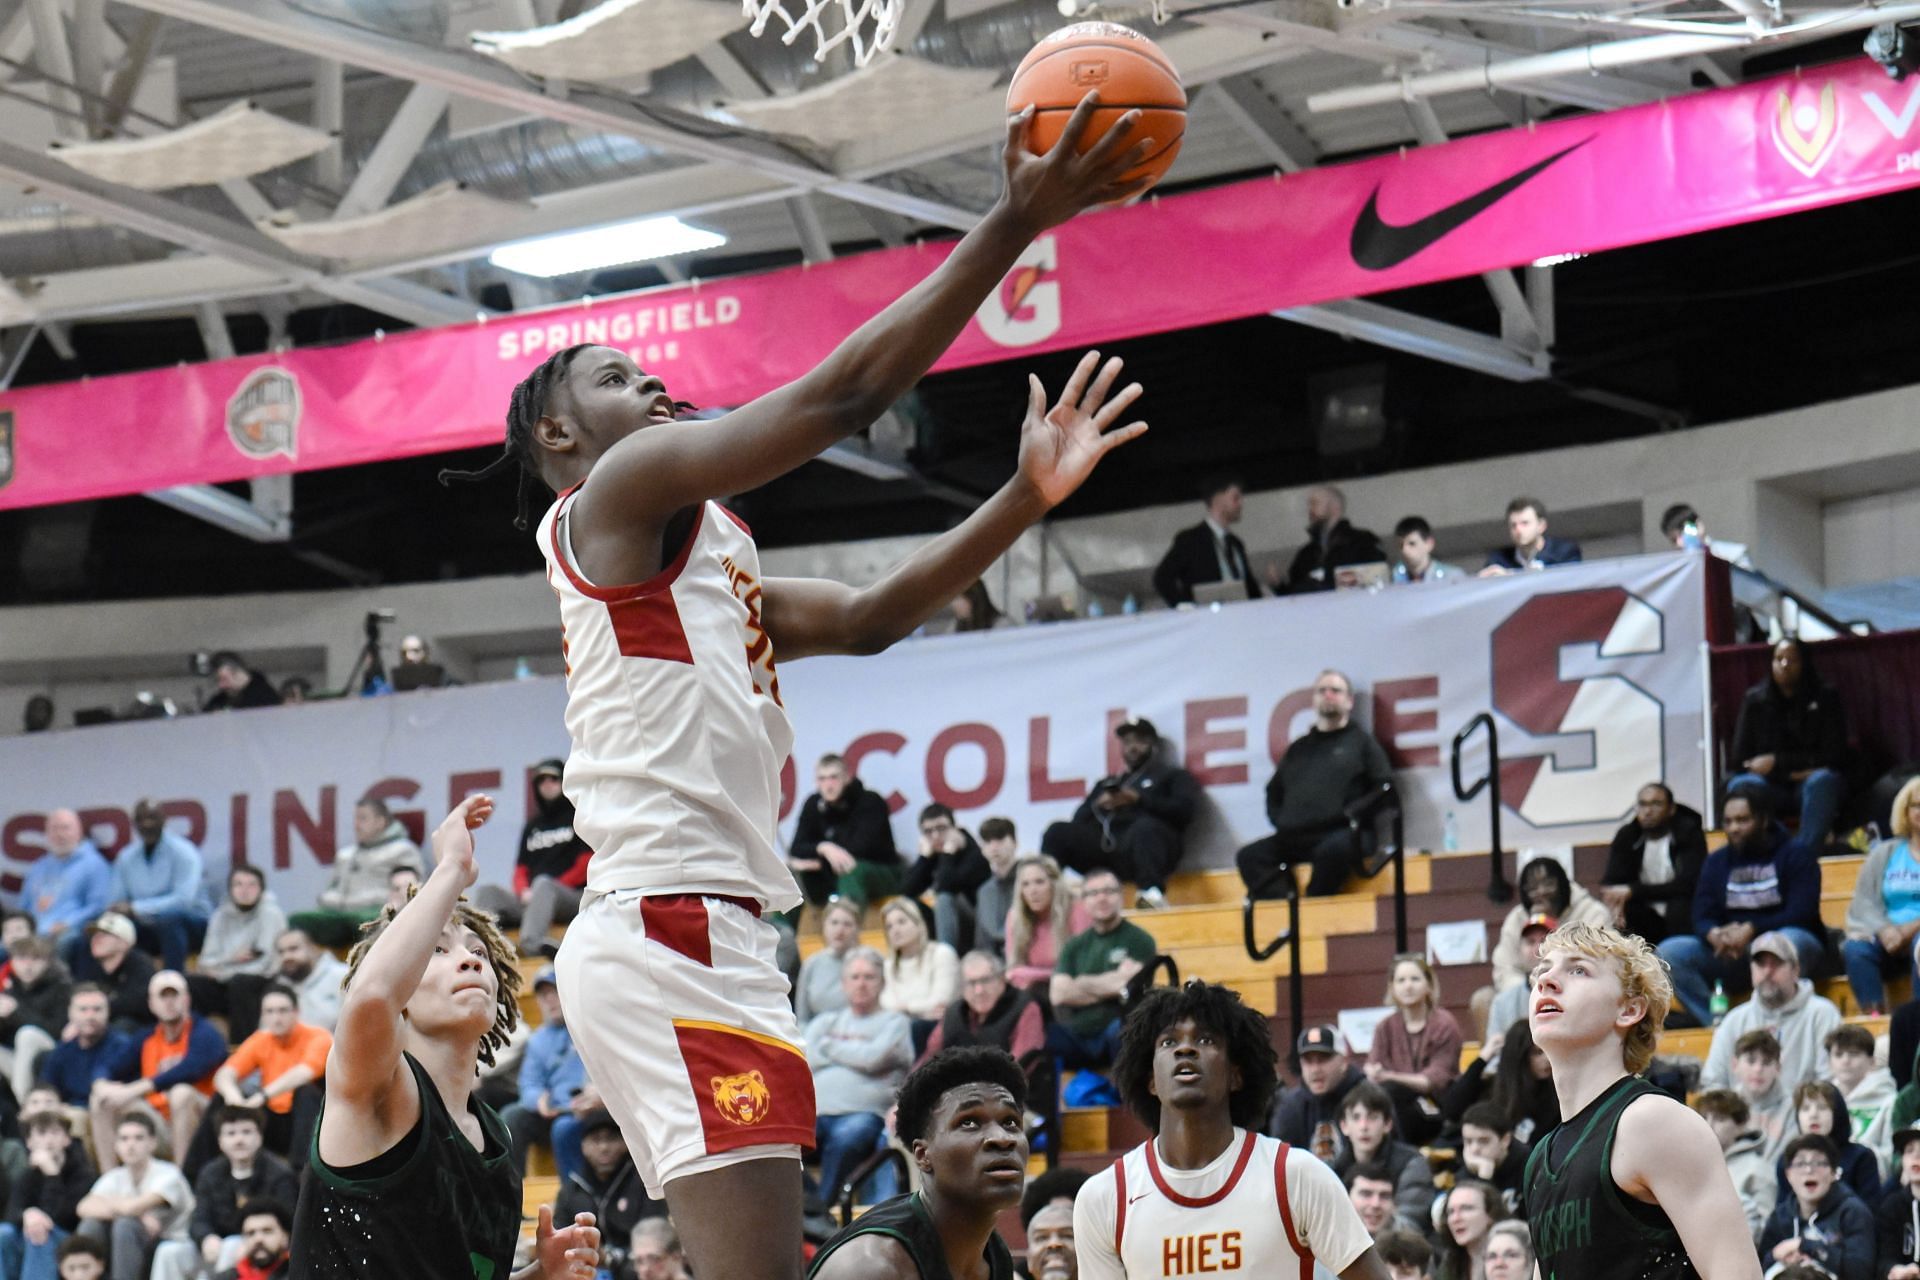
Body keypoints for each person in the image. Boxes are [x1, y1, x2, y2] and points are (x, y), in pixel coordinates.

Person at [443, 98, 1153, 1280]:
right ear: (562, 431)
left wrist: (1024, 498)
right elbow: (837, 403)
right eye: (622, 375)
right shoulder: (614, 497)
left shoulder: (705, 549)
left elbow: (871, 619)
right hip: (666, 928)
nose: (654, 383)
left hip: (722, 934)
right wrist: (1014, 219)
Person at [289, 796, 598, 1278]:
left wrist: (539, 1275)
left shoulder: (495, 1136)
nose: (472, 960)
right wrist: (452, 869)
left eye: (480, 951)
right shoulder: (380, 1083)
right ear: (405, 982)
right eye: (438, 949)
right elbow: (372, 996)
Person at [1073, 981, 1390, 1280]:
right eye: (1169, 1042)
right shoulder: (1105, 1197)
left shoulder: (1296, 1175)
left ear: (1236, 1075)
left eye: (1205, 1040)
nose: (1186, 1050)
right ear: (1151, 1080)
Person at [1523, 921, 1762, 1280]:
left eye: (1578, 970)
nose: (1547, 981)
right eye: (1542, 971)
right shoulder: (1540, 1159)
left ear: (1629, 1010)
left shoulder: (1651, 1122)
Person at [808, 1046, 1030, 1279]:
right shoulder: (871, 1267)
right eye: (969, 1123)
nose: (1002, 1138)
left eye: (1010, 1122)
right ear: (923, 1155)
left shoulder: (993, 1256)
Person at [1657, 786, 1825, 1028]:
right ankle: (1723, 1026)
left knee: (1786, 942)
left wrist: (1752, 930)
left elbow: (1802, 912)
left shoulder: (1796, 854)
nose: (1734, 828)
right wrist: (1714, 934)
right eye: (1728, 821)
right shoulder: (1716, 861)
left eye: (1742, 820)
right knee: (1669, 952)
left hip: (1789, 940)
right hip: (1730, 951)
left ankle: (1782, 1022)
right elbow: (1701, 914)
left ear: (1764, 820)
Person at [1236, 670, 1396, 899]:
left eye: (1336, 690)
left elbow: (1384, 788)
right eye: (1322, 690)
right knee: (1250, 856)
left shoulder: (1362, 743)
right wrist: (1282, 820)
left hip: (1346, 833)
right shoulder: (1298, 748)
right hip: (1295, 836)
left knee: (1334, 851)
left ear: (1349, 701)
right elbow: (1274, 791)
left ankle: (1313, 907)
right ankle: (1287, 909)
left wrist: (1353, 815)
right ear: (1314, 700)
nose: (1328, 695)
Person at [1040, 718, 1198, 910]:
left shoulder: (1172, 776)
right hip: (1108, 853)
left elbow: (1184, 812)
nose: (1132, 747)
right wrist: (1098, 804)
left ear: (1153, 745)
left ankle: (1151, 894)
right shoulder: (1109, 782)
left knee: (1145, 828)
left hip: (1147, 851)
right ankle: (1044, 894)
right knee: (1057, 831)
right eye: (1127, 742)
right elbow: (1078, 820)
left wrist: (1138, 799)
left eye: (1139, 741)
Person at [805, 946, 912, 1204]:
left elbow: (873, 1058)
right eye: (855, 977)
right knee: (779, 1140)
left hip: (865, 1116)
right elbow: (807, 1058)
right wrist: (859, 1053)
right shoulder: (824, 1022)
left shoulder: (894, 1022)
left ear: (882, 982)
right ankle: (806, 1212)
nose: (861, 984)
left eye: (869, 977)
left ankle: (822, 1212)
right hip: (816, 1114)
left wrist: (829, 1046)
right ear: (843, 984)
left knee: (847, 1139)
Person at [87, 970, 224, 1171]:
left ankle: (182, 1180)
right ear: (151, 1003)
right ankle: (109, 1180)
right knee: (101, 1101)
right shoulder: (146, 1037)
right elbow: (108, 1066)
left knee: (181, 1093)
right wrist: (100, 1083)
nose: (169, 1002)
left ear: (186, 1000)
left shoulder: (206, 1032)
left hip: (202, 1125)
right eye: (162, 996)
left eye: (174, 995)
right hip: (158, 1121)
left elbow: (191, 1069)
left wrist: (137, 1088)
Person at [1727, 638, 1849, 853]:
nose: (1784, 665)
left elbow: (1834, 755)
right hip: (1770, 784)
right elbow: (1740, 759)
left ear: (1804, 663)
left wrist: (1776, 762)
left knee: (1823, 781)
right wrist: (1790, 774)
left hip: (1809, 784)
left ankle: (1803, 856)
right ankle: (1762, 852)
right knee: (1743, 785)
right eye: (1778, 659)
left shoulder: (1825, 696)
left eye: (1791, 660)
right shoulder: (1755, 700)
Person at [471, 759, 591, 958]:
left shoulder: (578, 816)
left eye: (553, 778)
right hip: (535, 900)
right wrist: (523, 891)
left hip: (572, 896)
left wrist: (543, 890)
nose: (547, 784)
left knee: (543, 884)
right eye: (541, 780)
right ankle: (486, 948)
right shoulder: (533, 825)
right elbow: (520, 870)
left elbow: (586, 863)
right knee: (488, 892)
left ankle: (532, 944)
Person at [1698, 931, 1841, 1093]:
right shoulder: (1733, 1021)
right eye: (1760, 964)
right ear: (1751, 971)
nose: (1767, 971)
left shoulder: (1822, 1014)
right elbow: (1712, 1083)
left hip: (1805, 1114)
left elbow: (1830, 1082)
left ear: (1796, 970)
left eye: (1776, 964)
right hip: (1743, 1116)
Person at [1045, 870, 1157, 1071]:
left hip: (1116, 1031)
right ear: (1084, 901)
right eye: (1093, 893)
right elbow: (1058, 994)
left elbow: (1130, 986)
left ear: (1121, 897)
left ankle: (1127, 1100)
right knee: (1045, 1034)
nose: (1101, 898)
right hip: (1078, 1033)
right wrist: (1112, 984)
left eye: (1108, 891)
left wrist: (1078, 983)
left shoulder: (1140, 940)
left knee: (1124, 1030)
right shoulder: (1074, 946)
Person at [1484, 858, 1611, 1033]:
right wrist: (1532, 991)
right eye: (1533, 888)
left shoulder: (1592, 912)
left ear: (1563, 884)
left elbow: (1596, 964)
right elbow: (1504, 968)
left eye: (1548, 884)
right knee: (1484, 999)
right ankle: (1497, 1054)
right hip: (1525, 993)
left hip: (1576, 992)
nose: (1541, 892)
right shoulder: (1516, 918)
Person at [208, 983, 330, 1163]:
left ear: (296, 1012)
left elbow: (304, 1072)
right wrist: (232, 1096)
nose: (276, 1018)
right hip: (271, 1120)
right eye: (270, 1012)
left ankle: (301, 1172)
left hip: (308, 1123)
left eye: (282, 1011)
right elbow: (224, 1074)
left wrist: (262, 1095)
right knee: (221, 1098)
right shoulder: (261, 1039)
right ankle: (198, 1172)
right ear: (262, 1015)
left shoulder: (319, 1037)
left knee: (306, 1093)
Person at [288, 796, 425, 947]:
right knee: (300, 921)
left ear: (380, 822)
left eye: (363, 818)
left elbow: (410, 893)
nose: (356, 825)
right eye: (355, 819)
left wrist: (361, 901)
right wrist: (329, 899)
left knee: (377, 922)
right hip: (340, 912)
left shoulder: (403, 850)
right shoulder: (345, 855)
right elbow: (332, 889)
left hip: (374, 911)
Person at [74, 1111, 197, 1280]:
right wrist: (138, 1214)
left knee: (126, 1225)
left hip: (171, 1244)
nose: (130, 1145)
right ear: (116, 1145)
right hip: (133, 1244)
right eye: (124, 1139)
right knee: (90, 1225)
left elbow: (133, 1207)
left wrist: (127, 1210)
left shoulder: (169, 1174)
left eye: (138, 1138)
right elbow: (84, 1207)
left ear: (152, 1143)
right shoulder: (115, 1176)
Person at [182, 1109, 298, 1280]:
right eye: (231, 1133)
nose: (239, 1139)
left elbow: (289, 1221)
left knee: (231, 1246)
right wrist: (206, 1237)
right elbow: (199, 1218)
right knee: (170, 1251)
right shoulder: (209, 1173)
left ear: (259, 1137)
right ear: (220, 1141)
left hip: (262, 1245)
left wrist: (249, 1240)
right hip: (216, 1243)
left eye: (246, 1132)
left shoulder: (280, 1174)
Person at [503, 968, 590, 1182]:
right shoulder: (538, 1040)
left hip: (589, 1108)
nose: (550, 1000)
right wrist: (538, 1099)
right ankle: (515, 1194)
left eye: (555, 992)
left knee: (564, 1128)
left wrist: (594, 1094)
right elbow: (529, 1084)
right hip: (554, 1110)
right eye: (544, 995)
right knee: (511, 1116)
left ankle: (575, 1199)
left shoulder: (589, 1028)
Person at [1842, 778, 1920, 1016]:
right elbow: (1865, 901)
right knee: (1855, 948)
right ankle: (1874, 1017)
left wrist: (1910, 930)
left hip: (1917, 938)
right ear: (1905, 812)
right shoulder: (1885, 853)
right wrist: (1885, 930)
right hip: (1888, 937)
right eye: (1916, 805)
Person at [1366, 955, 1462, 1146]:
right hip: (1395, 1106)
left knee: (1392, 1092)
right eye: (1401, 980)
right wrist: (1373, 1072)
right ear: (1392, 988)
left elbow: (1430, 1082)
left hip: (1437, 1107)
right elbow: (1373, 1069)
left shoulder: (1445, 1024)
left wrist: (1388, 1076)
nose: (1408, 986)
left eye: (1415, 979)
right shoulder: (1384, 1026)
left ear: (1428, 985)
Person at [788, 755, 902, 913]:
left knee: (851, 869)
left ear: (847, 778)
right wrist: (823, 848)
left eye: (833, 777)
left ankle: (846, 927)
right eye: (822, 779)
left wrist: (822, 858)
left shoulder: (871, 801)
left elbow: (860, 849)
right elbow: (796, 848)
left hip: (882, 874)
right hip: (833, 874)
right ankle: (783, 933)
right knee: (795, 876)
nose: (828, 785)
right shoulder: (813, 804)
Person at [186, 867, 287, 1046]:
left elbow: (264, 965)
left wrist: (223, 966)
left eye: (251, 885)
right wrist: (233, 958)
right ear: (230, 889)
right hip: (226, 981)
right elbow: (205, 961)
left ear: (261, 888)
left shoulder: (271, 914)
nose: (245, 890)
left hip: (261, 984)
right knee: (190, 984)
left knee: (241, 983)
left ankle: (242, 1049)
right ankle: (195, 1045)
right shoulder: (219, 916)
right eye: (238, 884)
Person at [108, 802, 211, 975]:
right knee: (110, 930)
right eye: (141, 819)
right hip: (149, 926)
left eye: (152, 818)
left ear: (164, 820)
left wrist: (136, 908)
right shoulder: (126, 857)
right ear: (134, 824)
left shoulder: (184, 852)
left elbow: (184, 901)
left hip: (191, 924)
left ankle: (172, 982)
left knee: (170, 920)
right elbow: (117, 901)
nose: (147, 824)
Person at [1601, 783, 1710, 945]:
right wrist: (1616, 902)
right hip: (1645, 909)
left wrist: (1633, 890)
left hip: (1682, 908)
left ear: (1671, 809)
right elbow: (1612, 881)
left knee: (1679, 907)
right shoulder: (1627, 835)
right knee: (1624, 916)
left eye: (1656, 804)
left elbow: (1688, 885)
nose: (1648, 811)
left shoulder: (1689, 832)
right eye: (1643, 804)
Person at [554, 1111, 658, 1280]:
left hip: (636, 1268)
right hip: (584, 1269)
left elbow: (654, 1236)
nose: (604, 1147)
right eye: (596, 1140)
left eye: (611, 1139)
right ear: (583, 1147)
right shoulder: (571, 1190)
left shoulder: (644, 1182)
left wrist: (609, 1259)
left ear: (625, 1142)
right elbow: (560, 1242)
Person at [1759, 1134, 1873, 1280]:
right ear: (1788, 1174)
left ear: (1833, 1173)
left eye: (1819, 1163)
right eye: (1800, 1164)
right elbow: (1760, 1266)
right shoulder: (1780, 1216)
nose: (1809, 1170)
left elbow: (1861, 1271)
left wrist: (1806, 1246)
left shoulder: (1852, 1212)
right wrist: (1777, 1256)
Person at [0, 1110, 97, 1280]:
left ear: (67, 1139)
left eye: (55, 1132)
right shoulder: (27, 1175)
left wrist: (52, 1175)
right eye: (42, 1133)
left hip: (67, 1239)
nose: (49, 1139)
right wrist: (27, 1213)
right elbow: (11, 1213)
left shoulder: (83, 1173)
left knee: (40, 1233)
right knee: (4, 1233)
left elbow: (62, 1217)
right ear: (29, 1142)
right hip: (29, 1237)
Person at [1329, 1082, 1435, 1228]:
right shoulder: (1334, 1168)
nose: (1364, 1126)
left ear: (1387, 1125)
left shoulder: (1412, 1163)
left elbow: (1411, 1223)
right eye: (1356, 1117)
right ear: (1344, 1126)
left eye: (1372, 1117)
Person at [917, 951, 1044, 1069]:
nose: (979, 990)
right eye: (971, 983)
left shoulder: (1024, 1007)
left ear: (1002, 980)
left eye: (986, 981)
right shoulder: (954, 1012)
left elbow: (1022, 1063)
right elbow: (929, 1060)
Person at [1151, 476, 1264, 605]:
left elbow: (1250, 589)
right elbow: (1162, 578)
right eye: (1235, 498)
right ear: (1218, 500)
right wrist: (1185, 607)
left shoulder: (1236, 544)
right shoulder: (1190, 540)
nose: (1241, 504)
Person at [900, 806, 992, 953]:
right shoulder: (932, 853)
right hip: (950, 923)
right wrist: (924, 859)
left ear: (954, 828)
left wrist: (948, 854)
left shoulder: (974, 853)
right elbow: (906, 891)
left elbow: (946, 885)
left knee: (943, 899)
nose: (935, 836)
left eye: (941, 828)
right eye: (928, 832)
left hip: (979, 921)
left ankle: (946, 955)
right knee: (907, 905)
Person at [1270, 1024, 1366, 1161]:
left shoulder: (1367, 1098)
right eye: (1308, 1061)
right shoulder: (1290, 1106)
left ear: (1344, 1061)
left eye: (1323, 1059)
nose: (1315, 1069)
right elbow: (1279, 1160)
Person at [1692, 1089, 1776, 1244]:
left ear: (1741, 1125)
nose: (1709, 1125)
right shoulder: (1689, 1166)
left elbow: (1766, 1231)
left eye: (1720, 1119)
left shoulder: (1757, 1169)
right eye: (1703, 1117)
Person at [37, 987, 138, 1114]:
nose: (90, 1016)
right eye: (83, 1010)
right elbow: (48, 1087)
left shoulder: (123, 1047)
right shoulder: (63, 1050)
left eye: (97, 1009)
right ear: (70, 1013)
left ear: (108, 1012)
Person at [1779, 1081, 1880, 1205]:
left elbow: (1869, 1212)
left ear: (1837, 1113)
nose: (1813, 1115)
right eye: (1805, 1109)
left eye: (1822, 1107)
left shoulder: (1861, 1157)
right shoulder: (1787, 1160)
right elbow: (1782, 1213)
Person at [0, 937, 71, 1107]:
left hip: (50, 1049)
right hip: (17, 1058)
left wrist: (16, 1013)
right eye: (21, 959)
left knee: (27, 1035)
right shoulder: (9, 987)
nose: (28, 966)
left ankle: (25, 1103)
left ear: (47, 961)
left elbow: (57, 1031)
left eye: (35, 959)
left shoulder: (61, 986)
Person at [20, 813, 111, 945]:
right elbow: (23, 907)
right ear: (46, 834)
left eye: (65, 828)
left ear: (79, 832)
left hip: (69, 933)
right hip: (34, 935)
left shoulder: (94, 864)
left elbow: (98, 906)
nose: (59, 834)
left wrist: (68, 923)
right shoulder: (38, 867)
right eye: (54, 829)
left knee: (65, 941)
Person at [1005, 856, 1088, 991]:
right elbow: (1013, 971)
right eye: (1025, 884)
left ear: (1054, 883)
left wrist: (1032, 974)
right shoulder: (1015, 917)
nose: (1033, 891)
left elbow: (1081, 970)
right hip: (1032, 991)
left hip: (1072, 990)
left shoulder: (1077, 910)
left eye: (1039, 882)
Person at [1285, 486, 1386, 594]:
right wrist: (1279, 585)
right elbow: (1295, 591)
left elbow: (1377, 578)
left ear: (1335, 508)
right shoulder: (1306, 553)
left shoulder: (1363, 541)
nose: (1310, 510)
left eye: (1315, 503)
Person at [879, 901, 961, 1034]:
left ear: (918, 923)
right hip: (900, 1029)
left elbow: (940, 1002)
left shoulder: (942, 953)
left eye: (902, 922)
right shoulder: (888, 965)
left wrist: (905, 1008)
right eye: (889, 926)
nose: (895, 930)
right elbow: (884, 1004)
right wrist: (918, 1009)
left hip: (939, 1029)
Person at [1824, 1024, 1896, 1173]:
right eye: (1838, 1055)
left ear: (1872, 1061)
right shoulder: (1822, 1101)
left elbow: (1891, 1156)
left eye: (1854, 1054)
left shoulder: (1889, 1101)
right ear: (1829, 1063)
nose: (1845, 1061)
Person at [66, 916, 155, 1031]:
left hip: (138, 1029)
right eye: (94, 935)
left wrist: (98, 1009)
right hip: (101, 1022)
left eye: (105, 934)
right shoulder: (91, 966)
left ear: (124, 942)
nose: (96, 939)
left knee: (123, 1024)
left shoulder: (140, 964)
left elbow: (137, 1004)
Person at [1728, 1030, 1797, 1167]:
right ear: (1735, 1065)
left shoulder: (1793, 1109)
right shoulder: (1724, 1108)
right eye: (1751, 1061)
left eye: (1766, 1062)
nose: (1758, 1069)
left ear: (1778, 1068)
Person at [796, 900, 861, 1027]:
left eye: (847, 924)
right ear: (824, 926)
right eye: (834, 923)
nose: (840, 930)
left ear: (857, 929)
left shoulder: (867, 962)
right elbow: (802, 1018)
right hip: (818, 1038)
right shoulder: (811, 964)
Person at [269, 932, 346, 1035]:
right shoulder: (279, 987)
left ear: (312, 949)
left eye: (293, 949)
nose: (287, 956)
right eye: (281, 952)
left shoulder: (342, 975)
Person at [1479, 497, 1581, 575]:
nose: (1518, 530)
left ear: (1541, 526)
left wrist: (1511, 577)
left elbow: (1569, 582)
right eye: (1513, 525)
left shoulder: (1564, 553)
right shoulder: (1498, 558)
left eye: (1525, 523)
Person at [1456, 1103, 1528, 1212]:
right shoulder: (1465, 1173)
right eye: (1468, 1141)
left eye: (1483, 1141)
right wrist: (1484, 1176)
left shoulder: (1530, 1166)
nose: (1474, 1149)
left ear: (1505, 1140)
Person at [1873, 1127, 1920, 1280]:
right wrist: (1895, 1270)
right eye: (1909, 1150)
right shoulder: (1892, 1206)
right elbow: (1884, 1258)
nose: (1916, 1156)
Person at [1434, 1180, 1505, 1280]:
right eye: (1450, 1212)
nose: (1456, 1218)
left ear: (1490, 1214)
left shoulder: (1512, 1256)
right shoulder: (1450, 1262)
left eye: (1466, 1208)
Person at [972, 819, 1021, 960]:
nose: (994, 847)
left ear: (1015, 843)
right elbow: (982, 939)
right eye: (987, 842)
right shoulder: (984, 891)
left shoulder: (1031, 880)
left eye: (1000, 839)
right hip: (994, 962)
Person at [214, 1200, 290, 1280]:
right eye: (251, 1233)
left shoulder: (298, 1273)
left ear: (285, 1237)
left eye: (267, 1231)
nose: (258, 1239)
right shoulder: (226, 1277)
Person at [1345, 1163, 1425, 1238]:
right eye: (1366, 1194)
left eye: (1384, 1196)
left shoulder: (1411, 1241)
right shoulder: (1334, 1235)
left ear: (1394, 1204)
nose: (1375, 1204)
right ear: (1347, 1198)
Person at [1391, 516, 1464, 585]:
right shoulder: (1395, 576)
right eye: (1400, 545)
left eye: (1412, 544)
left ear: (1429, 544)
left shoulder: (1452, 576)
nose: (1404, 550)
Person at [200, 654, 280, 711]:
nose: (221, 685)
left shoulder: (267, 698)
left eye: (224, 679)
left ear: (238, 673)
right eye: (217, 681)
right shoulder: (220, 700)